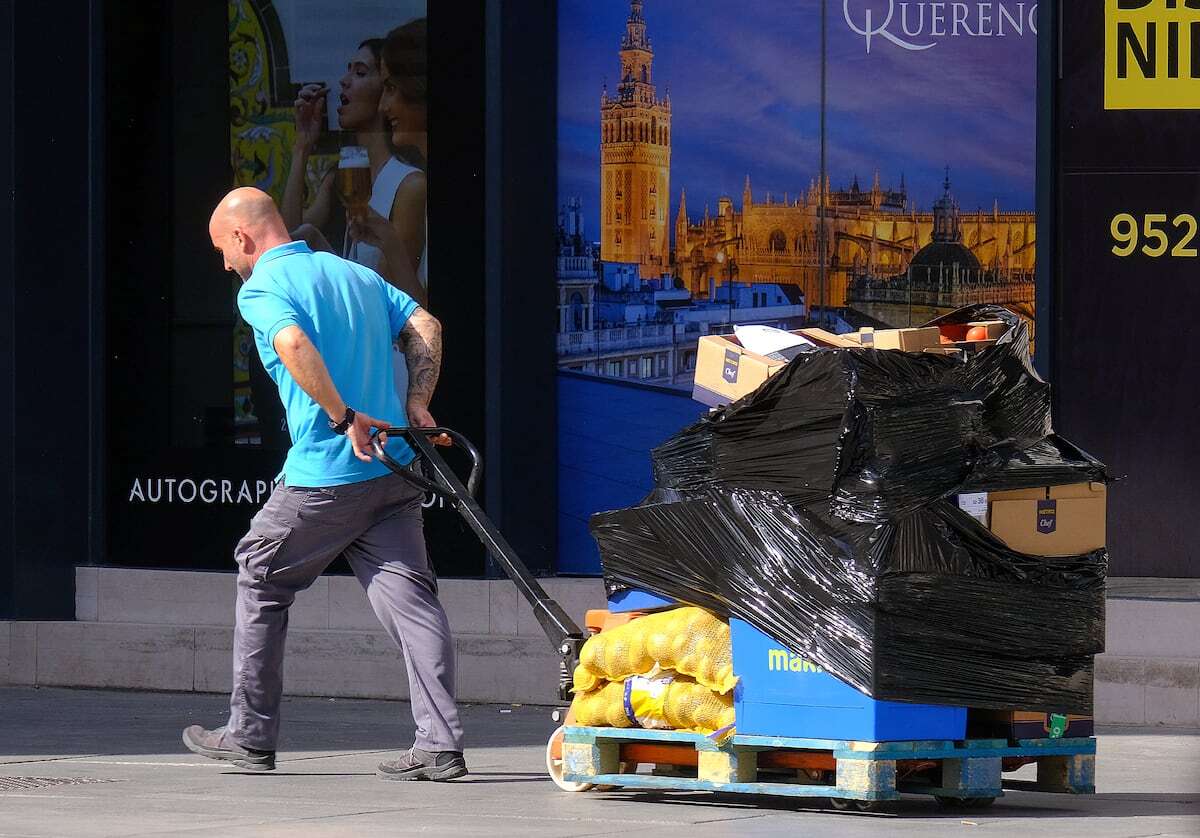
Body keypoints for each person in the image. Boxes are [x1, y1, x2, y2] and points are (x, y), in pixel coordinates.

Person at [183, 187, 466, 782]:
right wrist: (417, 400)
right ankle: (440, 745)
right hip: (391, 469)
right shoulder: (352, 274)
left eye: (221, 248)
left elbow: (291, 343)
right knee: (413, 603)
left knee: (260, 574)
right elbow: (426, 323)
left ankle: (250, 735)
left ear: (242, 236)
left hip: (327, 472)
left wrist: (343, 417)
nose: (223, 264)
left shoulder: (261, 287)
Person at [283, 36, 426, 306]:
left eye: (360, 72)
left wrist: (317, 242)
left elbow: (382, 296)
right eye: (347, 70)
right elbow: (288, 243)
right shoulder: (341, 177)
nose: (344, 81)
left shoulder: (408, 183)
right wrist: (302, 146)